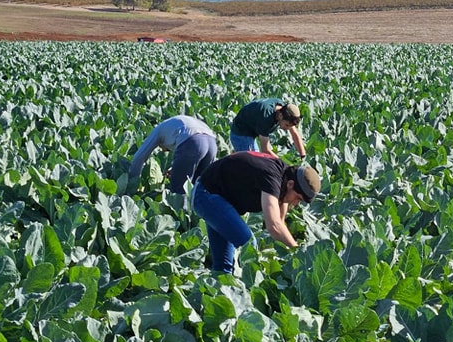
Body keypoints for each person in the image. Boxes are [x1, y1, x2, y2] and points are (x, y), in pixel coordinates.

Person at [192, 151, 321, 274]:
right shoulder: (272, 177)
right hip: (207, 195)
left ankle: (219, 293)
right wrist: (298, 252)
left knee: (224, 267)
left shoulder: (286, 178)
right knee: (248, 245)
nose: (296, 203)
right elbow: (274, 225)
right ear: (291, 184)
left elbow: (280, 222)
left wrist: (289, 251)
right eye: (298, 198)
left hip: (220, 199)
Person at [129, 115, 217, 194]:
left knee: (179, 192)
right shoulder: (174, 125)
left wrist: (133, 182)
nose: (164, 151)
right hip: (212, 144)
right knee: (199, 189)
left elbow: (139, 157)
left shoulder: (158, 130)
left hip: (193, 142)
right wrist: (176, 170)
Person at [230, 98, 307, 158]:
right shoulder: (266, 117)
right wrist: (284, 165)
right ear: (280, 116)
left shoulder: (284, 110)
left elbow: (295, 135)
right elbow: (265, 150)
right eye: (286, 125)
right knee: (253, 161)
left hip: (253, 128)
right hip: (241, 132)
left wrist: (303, 156)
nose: (287, 129)